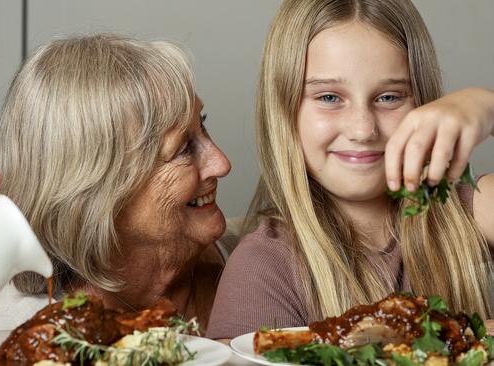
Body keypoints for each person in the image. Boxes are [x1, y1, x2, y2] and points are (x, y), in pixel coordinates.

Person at [207, 0, 494, 339]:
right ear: (284, 112)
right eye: (329, 97)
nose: (362, 129)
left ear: (423, 102)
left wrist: (487, 105)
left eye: (389, 97)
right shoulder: (264, 267)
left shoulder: (469, 209)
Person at [0, 34, 232, 332]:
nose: (222, 163)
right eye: (184, 148)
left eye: (204, 125)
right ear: (98, 192)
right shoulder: (27, 334)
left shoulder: (259, 262)